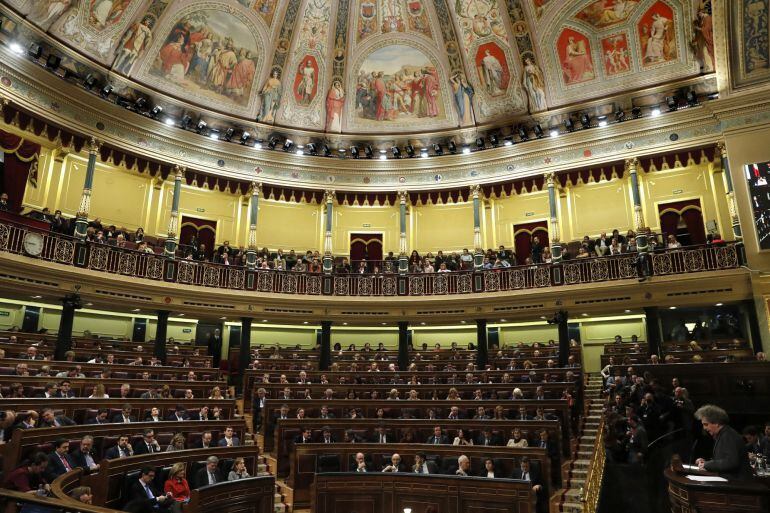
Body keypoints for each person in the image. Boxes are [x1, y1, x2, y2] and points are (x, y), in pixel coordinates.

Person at [694, 404, 752, 476]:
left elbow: (731, 462)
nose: (704, 428)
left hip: (737, 484)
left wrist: (707, 464)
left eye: (706, 424)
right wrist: (706, 463)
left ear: (717, 423)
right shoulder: (724, 434)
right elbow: (724, 460)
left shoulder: (728, 436)